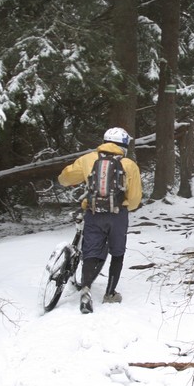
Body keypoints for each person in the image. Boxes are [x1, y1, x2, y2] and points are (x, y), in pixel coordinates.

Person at [58, 127, 142, 314]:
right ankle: (110, 293)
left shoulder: (88, 159)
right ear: (124, 145)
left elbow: (65, 178)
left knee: (90, 251)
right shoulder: (129, 164)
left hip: (94, 212)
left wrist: (69, 180)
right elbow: (135, 199)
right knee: (117, 252)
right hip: (118, 215)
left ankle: (86, 289)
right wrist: (125, 203)